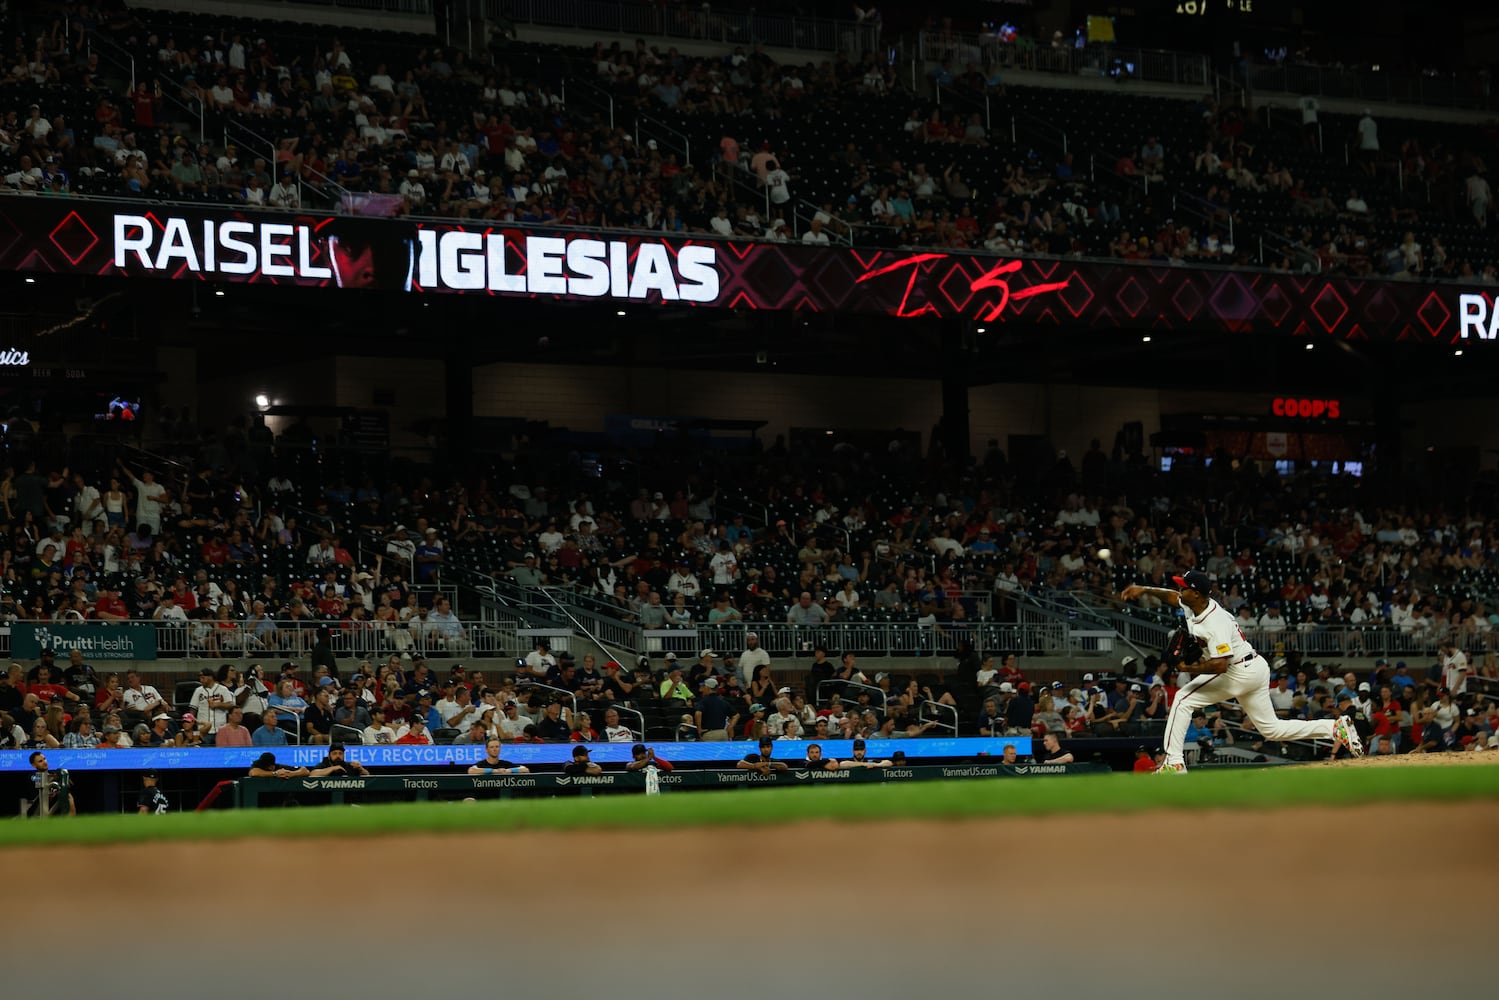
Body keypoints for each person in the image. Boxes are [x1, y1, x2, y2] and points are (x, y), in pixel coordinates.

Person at [1122, 571, 1361, 773]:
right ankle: (1334, 728)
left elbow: (1220, 665)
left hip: (1238, 670)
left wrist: (1187, 668)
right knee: (1272, 729)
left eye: (1184, 588)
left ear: (1196, 593)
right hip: (1253, 667)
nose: (1180, 590)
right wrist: (1143, 589)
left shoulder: (1215, 623)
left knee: (1183, 699)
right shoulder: (1193, 602)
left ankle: (1174, 763)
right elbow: (1172, 597)